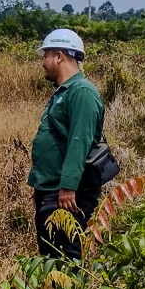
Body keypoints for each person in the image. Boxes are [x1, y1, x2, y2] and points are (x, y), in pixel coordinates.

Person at [27, 29, 105, 260]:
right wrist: (38, 183)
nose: (43, 63)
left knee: (67, 256)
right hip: (50, 189)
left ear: (59, 56)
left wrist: (69, 187)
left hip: (67, 193)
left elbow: (78, 142)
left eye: (46, 56)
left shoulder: (82, 92)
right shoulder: (63, 92)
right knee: (50, 255)